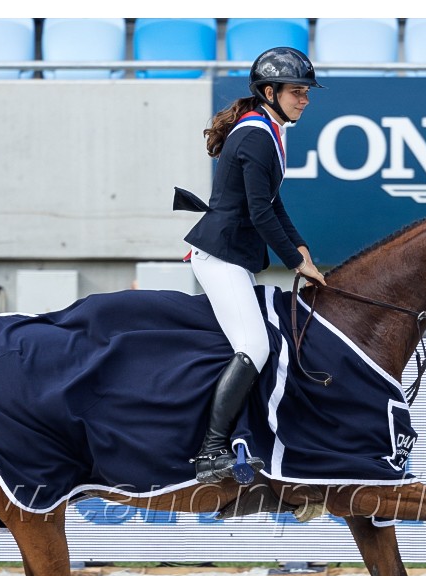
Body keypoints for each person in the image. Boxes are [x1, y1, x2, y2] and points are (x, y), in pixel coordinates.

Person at [174, 47, 327, 485]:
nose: (305, 99)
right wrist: (295, 263)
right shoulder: (257, 135)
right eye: (298, 91)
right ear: (268, 92)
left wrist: (302, 251)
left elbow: (273, 205)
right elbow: (260, 214)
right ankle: (209, 453)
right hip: (220, 258)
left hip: (232, 257)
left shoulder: (271, 130)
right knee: (255, 347)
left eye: (305, 92)